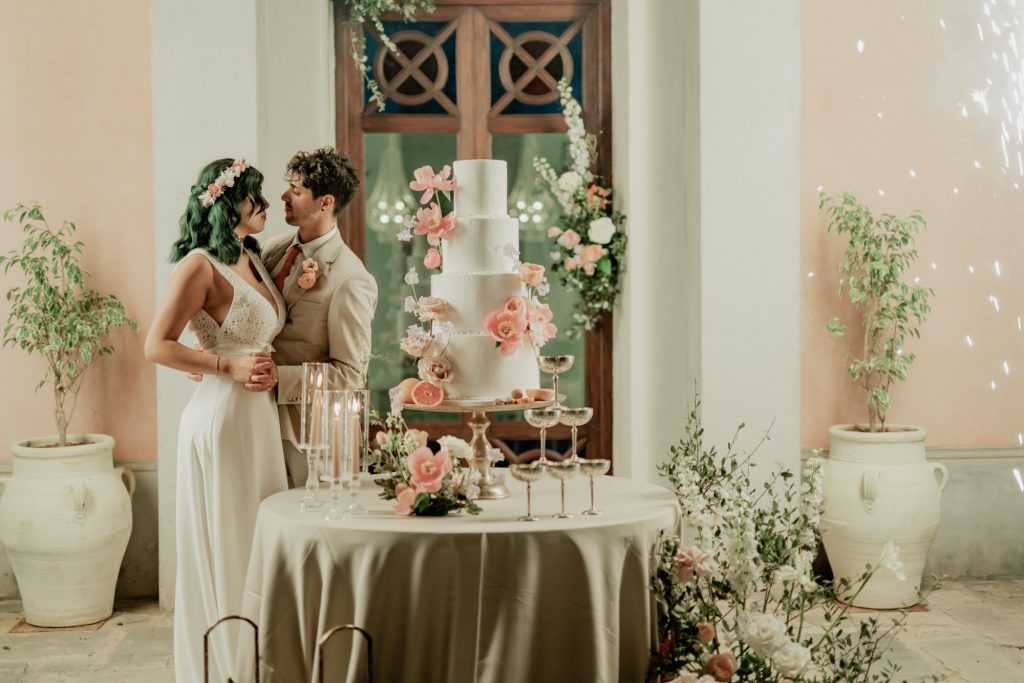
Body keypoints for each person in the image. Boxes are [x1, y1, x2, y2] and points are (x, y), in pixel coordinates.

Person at [144, 158, 288, 683]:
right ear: (231, 202)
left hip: (259, 418)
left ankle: (261, 657)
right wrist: (223, 364)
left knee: (257, 538)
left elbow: (258, 327)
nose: (267, 206)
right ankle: (228, 665)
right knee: (231, 538)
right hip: (223, 417)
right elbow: (155, 346)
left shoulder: (251, 255)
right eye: (257, 197)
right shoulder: (199, 265)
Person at [263, 147, 378, 488]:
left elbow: (350, 374)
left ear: (326, 203)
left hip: (306, 434)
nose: (284, 196)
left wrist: (277, 378)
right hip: (256, 419)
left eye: (297, 191)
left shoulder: (351, 278)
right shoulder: (272, 249)